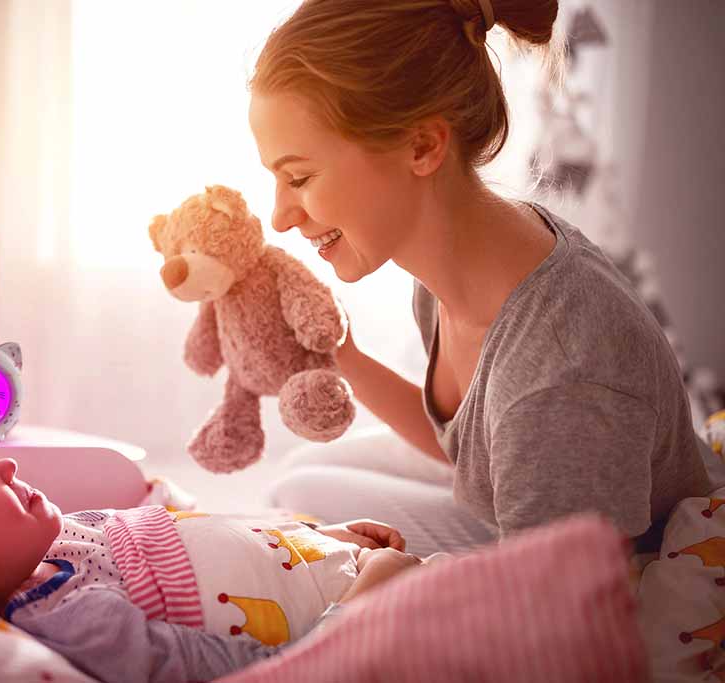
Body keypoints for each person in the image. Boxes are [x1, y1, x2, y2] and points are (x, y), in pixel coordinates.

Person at [247, 0, 711, 556]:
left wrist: (389, 581)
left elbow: (563, 598)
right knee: (299, 477)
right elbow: (477, 446)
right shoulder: (460, 252)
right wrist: (340, 353)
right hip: (529, 515)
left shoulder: (564, 371)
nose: (280, 217)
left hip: (591, 577)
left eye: (299, 178)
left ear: (423, 146)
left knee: (299, 500)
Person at [0, 412, 427, 683]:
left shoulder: (58, 542)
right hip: (382, 618)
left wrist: (316, 539)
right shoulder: (74, 622)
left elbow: (199, 537)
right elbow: (273, 672)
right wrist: (371, 599)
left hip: (348, 564)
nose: (4, 465)